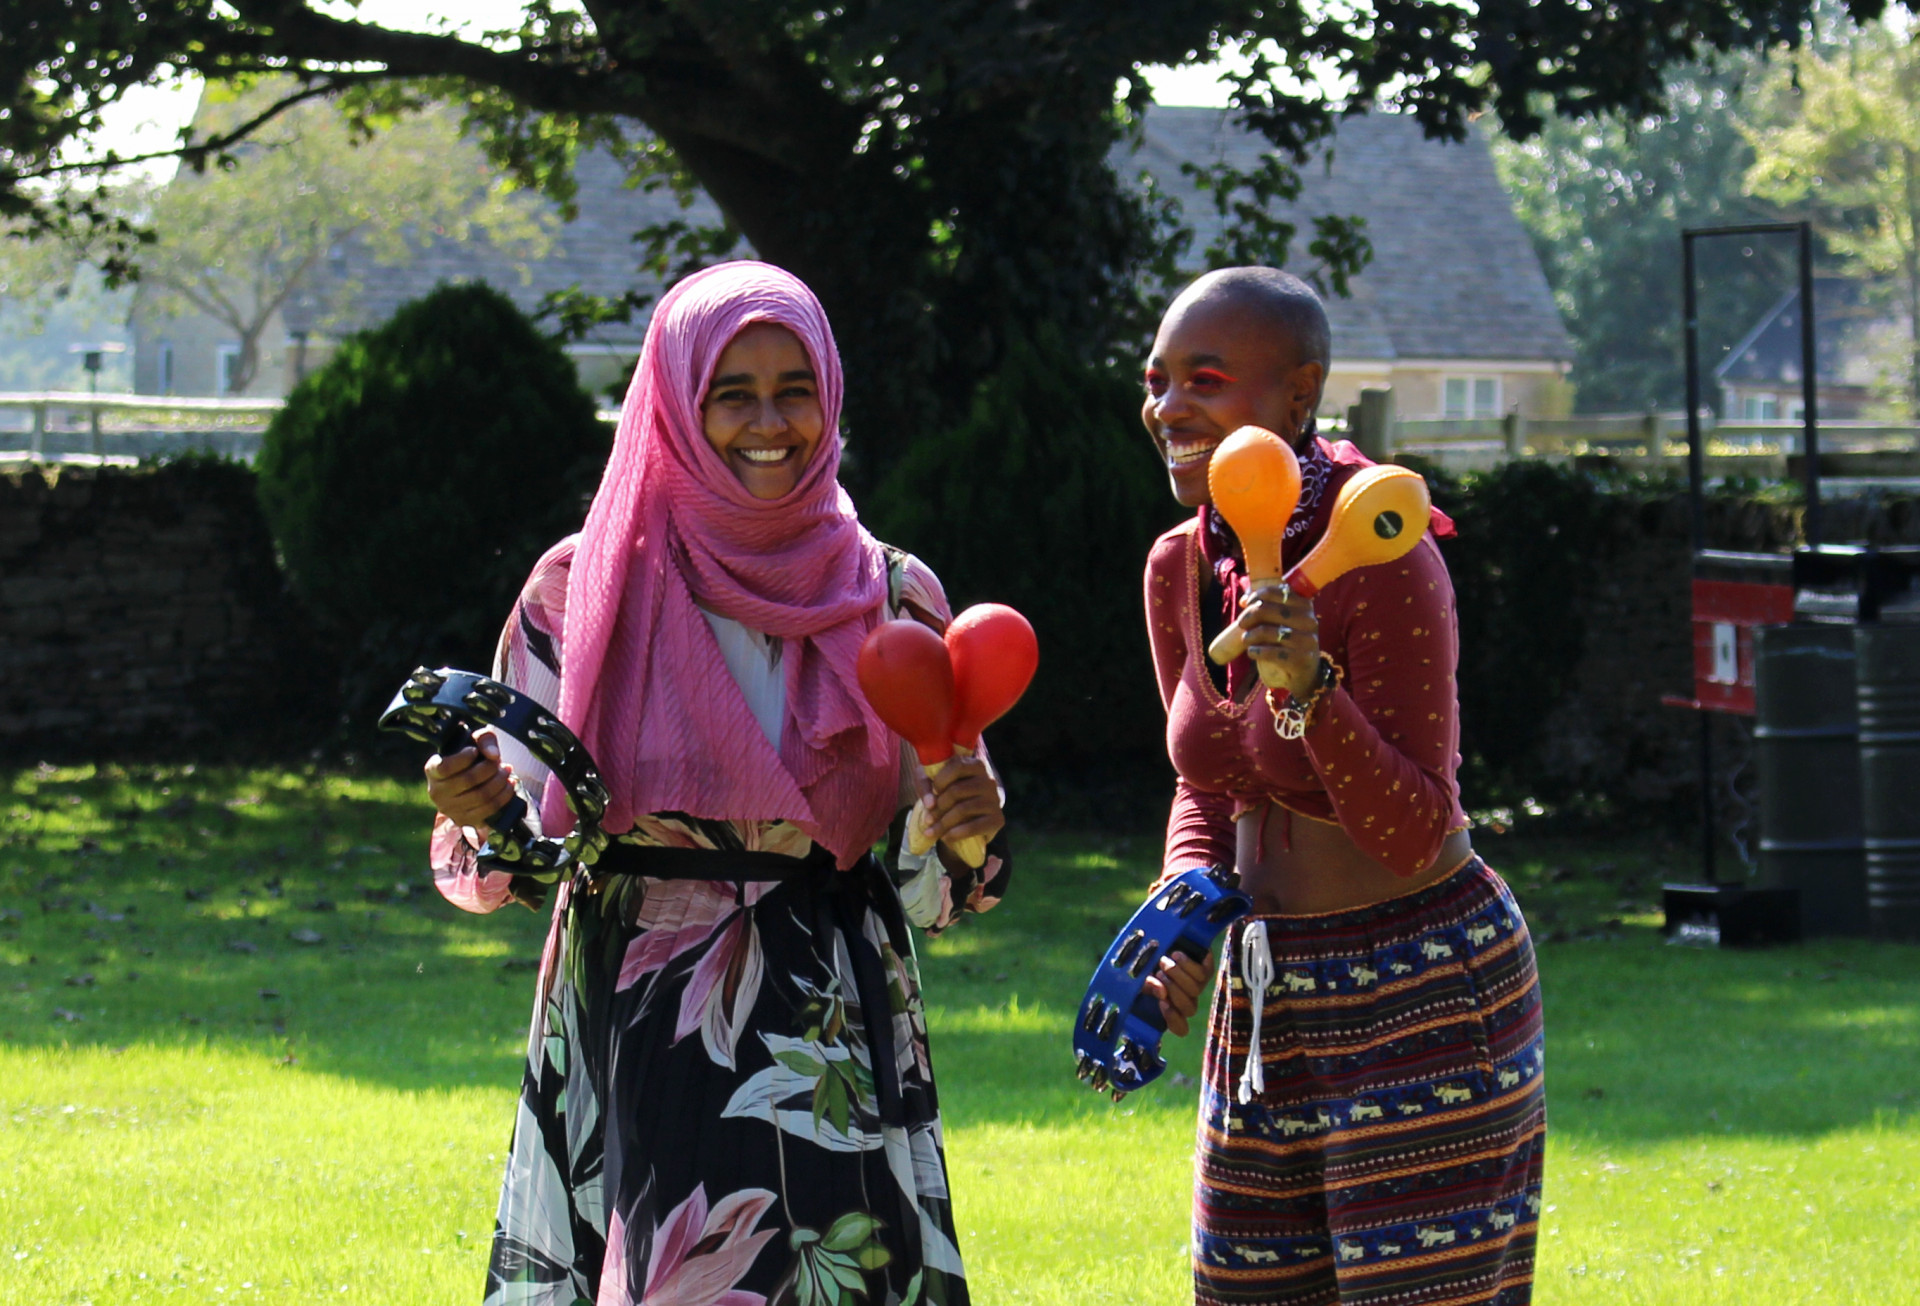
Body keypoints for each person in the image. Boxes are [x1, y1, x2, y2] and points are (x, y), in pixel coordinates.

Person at [423, 261, 1011, 1306]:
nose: (769, 421)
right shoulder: (580, 584)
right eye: (731, 391)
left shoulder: (892, 591)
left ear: (829, 395)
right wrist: (478, 812)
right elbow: (510, 858)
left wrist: (961, 830)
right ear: (675, 398)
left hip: (828, 1015)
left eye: (795, 388)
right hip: (645, 1001)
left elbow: (938, 885)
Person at [1136, 267, 1545, 1305]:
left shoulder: (1383, 552)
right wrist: (1180, 909)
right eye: (1157, 381)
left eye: (1206, 380)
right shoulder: (1176, 565)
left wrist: (1311, 688)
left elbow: (1415, 829)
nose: (1168, 408)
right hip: (1268, 992)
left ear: (1301, 394)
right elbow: (1211, 779)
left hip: (1420, 980)